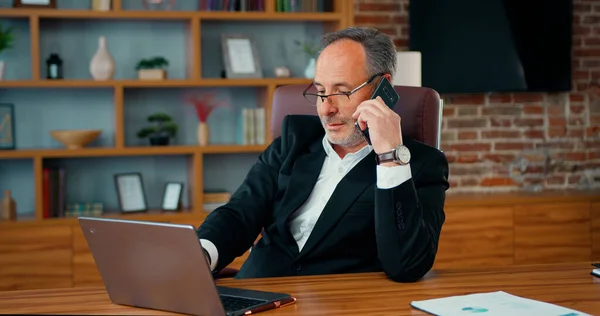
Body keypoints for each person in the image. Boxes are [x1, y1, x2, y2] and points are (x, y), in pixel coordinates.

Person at [196, 27, 449, 282]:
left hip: (338, 302)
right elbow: (239, 214)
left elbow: (407, 265)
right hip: (258, 293)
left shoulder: (420, 165)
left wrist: (389, 158)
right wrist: (200, 257)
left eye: (341, 91)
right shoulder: (292, 143)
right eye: (320, 92)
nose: (326, 109)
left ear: (382, 87)